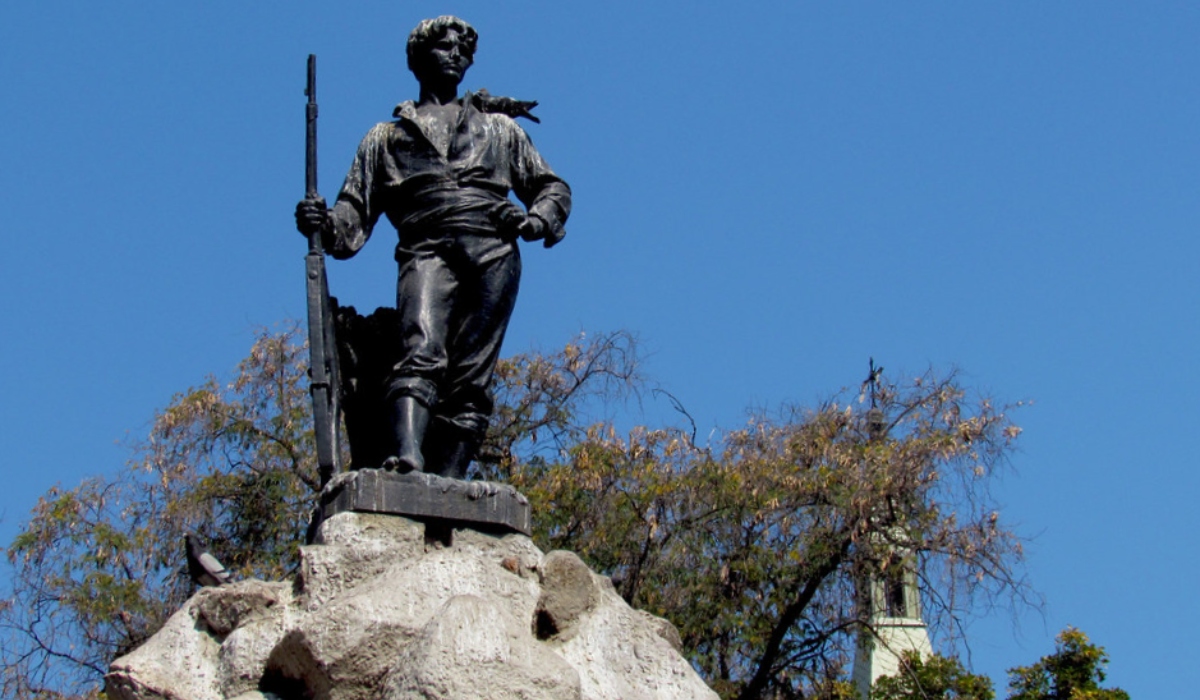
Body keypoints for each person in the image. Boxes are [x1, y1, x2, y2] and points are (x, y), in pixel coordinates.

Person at [295, 16, 571, 478]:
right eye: (445, 46)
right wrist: (322, 222)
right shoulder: (386, 138)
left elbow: (552, 186)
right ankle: (408, 457)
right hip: (426, 247)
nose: (457, 55)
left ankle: (449, 480)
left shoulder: (500, 129)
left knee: (472, 372)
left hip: (494, 252)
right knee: (420, 345)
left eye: (464, 50)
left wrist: (535, 219)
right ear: (418, 57)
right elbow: (351, 214)